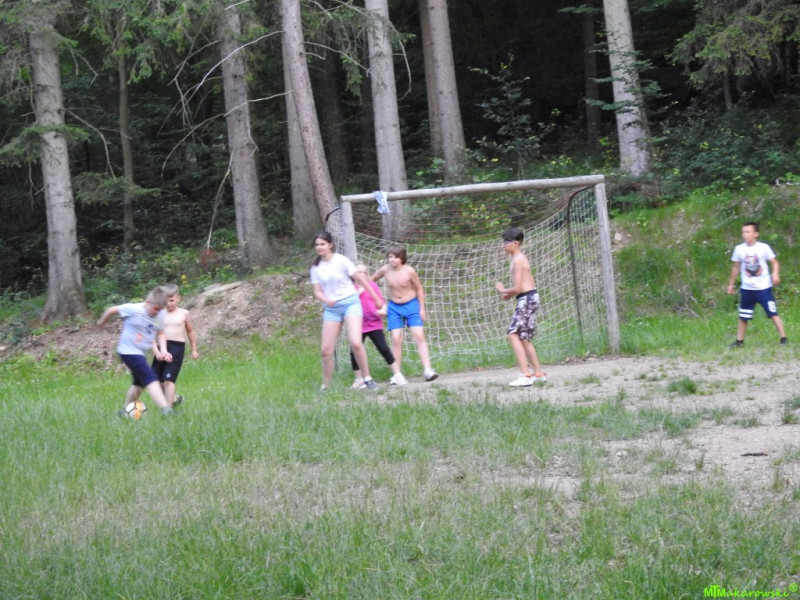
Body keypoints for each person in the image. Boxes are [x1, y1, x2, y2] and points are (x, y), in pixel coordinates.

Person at [310, 231, 383, 391]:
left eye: (322, 244)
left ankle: (367, 378)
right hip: (332, 309)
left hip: (350, 303)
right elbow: (317, 291)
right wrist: (326, 299)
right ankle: (326, 386)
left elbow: (360, 279)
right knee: (326, 350)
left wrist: (376, 298)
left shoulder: (341, 260)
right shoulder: (315, 267)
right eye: (317, 245)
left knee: (356, 342)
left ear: (330, 245)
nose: (319, 247)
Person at [97, 286, 175, 415]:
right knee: (150, 377)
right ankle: (166, 409)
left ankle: (124, 412)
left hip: (140, 353)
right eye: (156, 309)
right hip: (128, 351)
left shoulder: (160, 314)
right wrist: (101, 323)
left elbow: (161, 333)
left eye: (161, 309)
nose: (157, 312)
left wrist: (164, 350)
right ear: (148, 302)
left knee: (139, 383)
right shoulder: (133, 309)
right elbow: (112, 310)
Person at [372, 245, 438, 382]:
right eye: (390, 257)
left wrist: (422, 309)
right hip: (394, 307)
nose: (392, 260)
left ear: (402, 258)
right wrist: (377, 300)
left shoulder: (409, 271)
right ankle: (397, 374)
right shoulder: (385, 269)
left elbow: (419, 288)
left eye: (396, 257)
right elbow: (371, 281)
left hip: (411, 305)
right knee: (396, 339)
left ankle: (428, 370)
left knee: (419, 335)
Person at [131, 283, 198, 407]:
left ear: (178, 298)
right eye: (166, 300)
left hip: (177, 348)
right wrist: (157, 351)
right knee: (156, 381)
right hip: (161, 348)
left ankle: (167, 409)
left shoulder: (184, 313)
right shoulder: (159, 314)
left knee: (168, 380)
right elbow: (152, 335)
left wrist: (194, 349)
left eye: (172, 300)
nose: (169, 303)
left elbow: (190, 331)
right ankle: (174, 399)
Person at [495, 227, 547, 387]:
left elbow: (518, 287)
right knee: (523, 338)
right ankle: (538, 374)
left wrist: (503, 290)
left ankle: (525, 375)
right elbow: (522, 286)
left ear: (516, 243)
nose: (503, 245)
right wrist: (510, 295)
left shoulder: (518, 260)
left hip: (527, 298)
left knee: (513, 334)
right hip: (529, 296)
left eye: (506, 242)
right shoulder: (518, 258)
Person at [727, 221, 787, 347]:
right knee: (744, 315)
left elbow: (775, 262)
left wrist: (775, 274)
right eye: (743, 232)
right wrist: (731, 284)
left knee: (772, 313)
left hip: (763, 288)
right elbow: (736, 267)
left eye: (748, 232)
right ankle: (739, 341)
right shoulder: (739, 249)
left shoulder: (763, 247)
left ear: (756, 234)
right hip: (747, 289)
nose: (744, 234)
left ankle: (783, 338)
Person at [350, 263, 406, 388]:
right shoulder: (351, 288)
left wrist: (383, 310)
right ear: (354, 275)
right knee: (354, 351)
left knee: (383, 348)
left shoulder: (372, 286)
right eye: (359, 272)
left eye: (364, 272)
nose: (361, 275)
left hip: (374, 323)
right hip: (358, 325)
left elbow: (381, 302)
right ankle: (359, 379)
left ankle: (397, 374)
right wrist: (358, 293)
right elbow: (347, 303)